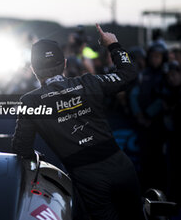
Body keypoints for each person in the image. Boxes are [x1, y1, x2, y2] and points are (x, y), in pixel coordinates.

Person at [12, 24, 144, 220]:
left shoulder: (30, 101)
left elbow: (21, 148)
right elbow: (129, 75)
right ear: (64, 63)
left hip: (88, 178)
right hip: (121, 167)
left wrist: (34, 155)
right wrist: (113, 45)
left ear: (33, 69)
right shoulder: (89, 82)